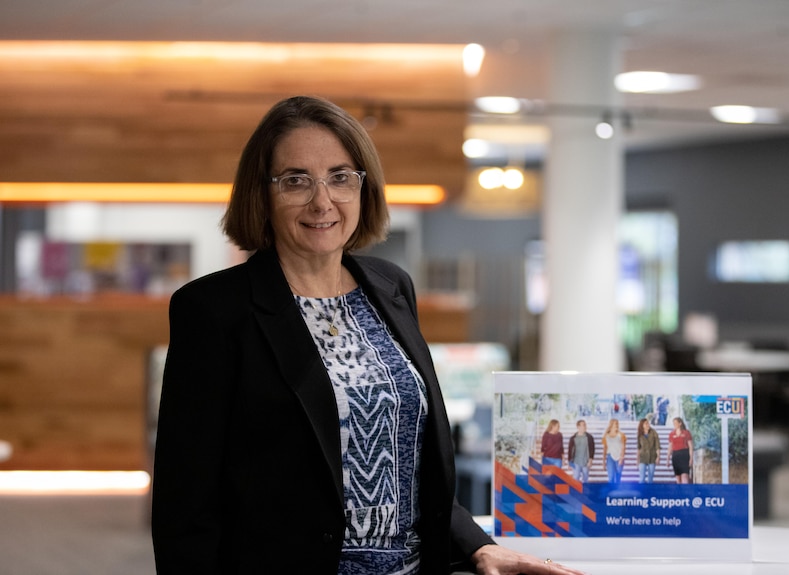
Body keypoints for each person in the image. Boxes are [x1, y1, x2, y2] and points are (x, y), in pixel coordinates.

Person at [150, 96, 588, 575]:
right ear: (263, 193)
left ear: (364, 187)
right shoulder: (214, 309)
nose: (323, 201)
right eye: (297, 180)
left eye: (341, 177)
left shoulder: (390, 286)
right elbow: (184, 503)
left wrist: (477, 544)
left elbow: (416, 465)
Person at [666, 416, 694, 484]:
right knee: (678, 477)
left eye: (675, 423)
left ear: (680, 423)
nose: (674, 424)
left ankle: (685, 493)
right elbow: (670, 447)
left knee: (684, 475)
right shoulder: (672, 434)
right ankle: (679, 493)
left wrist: (691, 458)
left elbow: (690, 446)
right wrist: (668, 459)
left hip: (684, 455)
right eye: (673, 423)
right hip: (676, 456)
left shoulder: (686, 433)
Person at [601, 418, 626, 484]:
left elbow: (623, 447)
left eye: (617, 424)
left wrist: (621, 457)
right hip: (610, 456)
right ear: (611, 425)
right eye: (615, 424)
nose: (616, 425)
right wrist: (603, 461)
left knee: (618, 475)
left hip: (619, 457)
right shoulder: (606, 436)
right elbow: (605, 449)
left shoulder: (621, 435)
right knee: (611, 477)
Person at [636, 418, 660, 483]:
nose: (648, 425)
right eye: (646, 423)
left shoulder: (654, 432)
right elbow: (638, 447)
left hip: (652, 456)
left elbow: (657, 445)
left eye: (648, 423)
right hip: (643, 457)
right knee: (642, 478)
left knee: (650, 478)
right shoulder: (640, 434)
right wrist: (637, 459)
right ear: (642, 425)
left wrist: (658, 456)